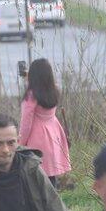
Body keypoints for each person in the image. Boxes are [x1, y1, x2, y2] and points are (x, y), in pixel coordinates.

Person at [19, 58, 71, 186]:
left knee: (36, 178)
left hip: (37, 138)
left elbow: (26, 124)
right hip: (54, 134)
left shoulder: (31, 95)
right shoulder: (54, 90)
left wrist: (20, 143)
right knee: (51, 176)